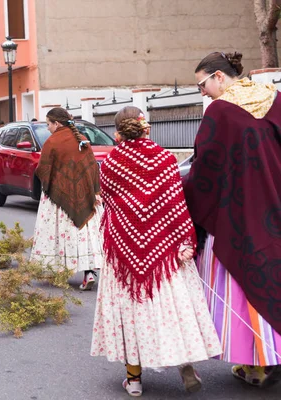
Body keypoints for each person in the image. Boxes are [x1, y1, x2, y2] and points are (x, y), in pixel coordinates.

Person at [91, 106, 222, 397]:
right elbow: (177, 204)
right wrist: (186, 241)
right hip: (166, 247)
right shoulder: (164, 158)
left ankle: (134, 380)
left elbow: (109, 200)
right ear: (145, 127)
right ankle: (184, 364)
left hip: (124, 249)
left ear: (117, 132)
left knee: (130, 312)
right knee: (170, 309)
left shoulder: (111, 162)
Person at [185, 51, 281, 386]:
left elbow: (204, 167)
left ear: (219, 77)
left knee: (242, 284)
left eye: (202, 84)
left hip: (236, 214)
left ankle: (259, 361)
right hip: (275, 207)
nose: (202, 92)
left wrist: (188, 199)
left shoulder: (221, 112)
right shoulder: (274, 98)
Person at [30, 107, 103, 290]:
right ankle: (89, 273)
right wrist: (95, 192)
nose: (47, 128)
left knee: (58, 233)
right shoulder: (83, 140)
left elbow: (43, 169)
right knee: (83, 235)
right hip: (84, 196)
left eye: (48, 124)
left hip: (58, 199)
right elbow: (93, 169)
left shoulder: (52, 142)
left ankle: (59, 272)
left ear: (57, 123)